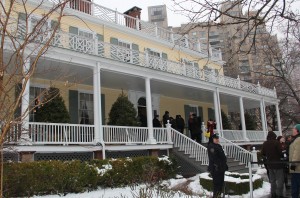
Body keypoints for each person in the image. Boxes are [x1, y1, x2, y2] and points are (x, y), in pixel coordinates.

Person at [261, 131, 284, 198]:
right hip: (278, 164)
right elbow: (280, 153)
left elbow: (263, 153)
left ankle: (273, 193)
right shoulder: (276, 143)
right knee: (280, 180)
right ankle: (280, 194)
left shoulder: (265, 143)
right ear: (274, 136)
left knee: (272, 181)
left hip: (270, 164)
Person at [207, 133, 228, 198]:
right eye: (215, 139)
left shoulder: (218, 146)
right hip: (216, 168)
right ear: (212, 139)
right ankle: (215, 196)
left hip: (221, 168)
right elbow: (214, 158)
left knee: (221, 183)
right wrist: (219, 165)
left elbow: (222, 157)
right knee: (217, 184)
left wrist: (224, 165)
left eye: (217, 138)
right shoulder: (211, 146)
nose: (217, 140)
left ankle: (219, 195)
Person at [289, 124, 300, 198]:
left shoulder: (298, 140)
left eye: (294, 128)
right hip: (296, 168)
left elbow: (296, 155)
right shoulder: (296, 139)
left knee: (295, 187)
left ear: (297, 130)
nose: (292, 130)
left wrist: (292, 168)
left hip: (297, 169)